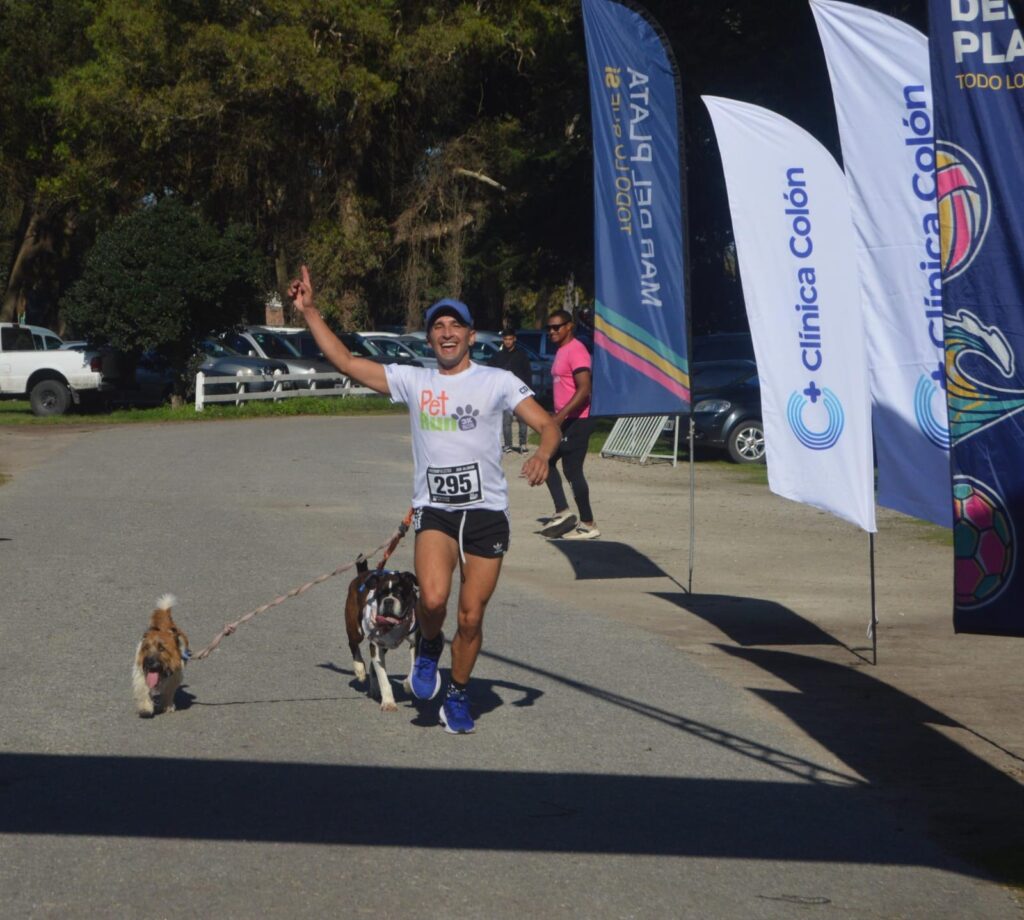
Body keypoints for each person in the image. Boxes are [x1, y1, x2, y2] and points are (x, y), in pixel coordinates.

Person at [288, 267, 559, 734]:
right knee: (432, 601)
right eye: (438, 326)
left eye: (455, 325)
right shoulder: (415, 381)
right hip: (436, 512)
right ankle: (430, 644)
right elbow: (348, 362)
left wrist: (543, 454)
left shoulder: (496, 381)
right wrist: (310, 311)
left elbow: (548, 424)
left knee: (470, 617)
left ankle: (457, 693)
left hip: (486, 515)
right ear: (430, 338)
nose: (447, 332)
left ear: (471, 336)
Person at [540, 309, 600, 541]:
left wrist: (561, 415)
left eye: (557, 327)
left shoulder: (576, 350)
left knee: (571, 469)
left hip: (579, 419)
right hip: (566, 419)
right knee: (547, 460)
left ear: (569, 326)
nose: (552, 331)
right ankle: (563, 512)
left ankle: (588, 524)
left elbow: (585, 389)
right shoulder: (562, 351)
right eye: (549, 328)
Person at [490, 328, 533, 453]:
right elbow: (491, 371)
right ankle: (508, 444)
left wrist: (529, 391)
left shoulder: (521, 355)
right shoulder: (498, 356)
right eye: (505, 339)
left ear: (514, 339)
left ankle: (522, 444)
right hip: (504, 392)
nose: (508, 341)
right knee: (506, 420)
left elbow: (527, 373)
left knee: (522, 419)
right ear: (503, 340)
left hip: (520, 392)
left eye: (510, 339)